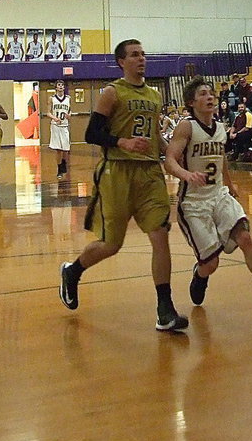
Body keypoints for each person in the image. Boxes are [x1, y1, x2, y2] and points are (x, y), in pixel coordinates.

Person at [59, 39, 188, 333]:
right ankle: (73, 271)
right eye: (134, 55)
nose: (141, 59)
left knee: (160, 235)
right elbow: (92, 133)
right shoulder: (112, 92)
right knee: (111, 245)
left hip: (149, 175)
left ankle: (164, 309)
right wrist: (123, 141)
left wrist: (178, 157)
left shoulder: (155, 96)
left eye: (143, 54)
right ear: (121, 62)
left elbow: (156, 137)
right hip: (116, 172)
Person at [164, 77, 252, 317]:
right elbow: (169, 159)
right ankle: (200, 276)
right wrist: (186, 174)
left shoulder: (220, 127)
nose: (210, 97)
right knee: (211, 264)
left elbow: (221, 160)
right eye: (202, 94)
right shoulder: (186, 127)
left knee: (245, 238)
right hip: (194, 203)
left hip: (219, 195)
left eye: (211, 93)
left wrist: (230, 185)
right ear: (191, 102)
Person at [49, 79, 71, 178]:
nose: (61, 86)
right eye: (59, 85)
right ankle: (59, 169)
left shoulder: (68, 98)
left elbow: (70, 111)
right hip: (55, 125)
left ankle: (63, 163)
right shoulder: (51, 98)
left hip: (65, 125)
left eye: (62, 85)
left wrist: (69, 115)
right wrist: (54, 118)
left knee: (66, 149)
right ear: (56, 87)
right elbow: (48, 112)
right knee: (58, 149)